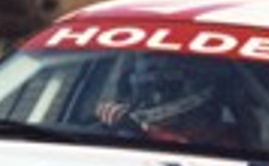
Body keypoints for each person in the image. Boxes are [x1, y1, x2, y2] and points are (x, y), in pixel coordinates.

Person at [96, 55, 240, 146]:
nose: (155, 96)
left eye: (165, 87)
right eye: (145, 88)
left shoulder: (226, 141)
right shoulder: (118, 127)